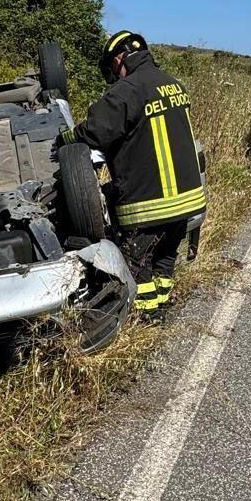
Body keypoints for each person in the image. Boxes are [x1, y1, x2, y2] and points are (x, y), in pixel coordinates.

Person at [58, 32, 206, 319]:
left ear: (118, 59)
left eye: (112, 68)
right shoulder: (173, 84)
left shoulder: (126, 91)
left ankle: (146, 319)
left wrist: (65, 137)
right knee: (165, 258)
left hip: (148, 206)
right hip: (186, 200)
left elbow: (94, 132)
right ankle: (161, 307)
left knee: (139, 265)